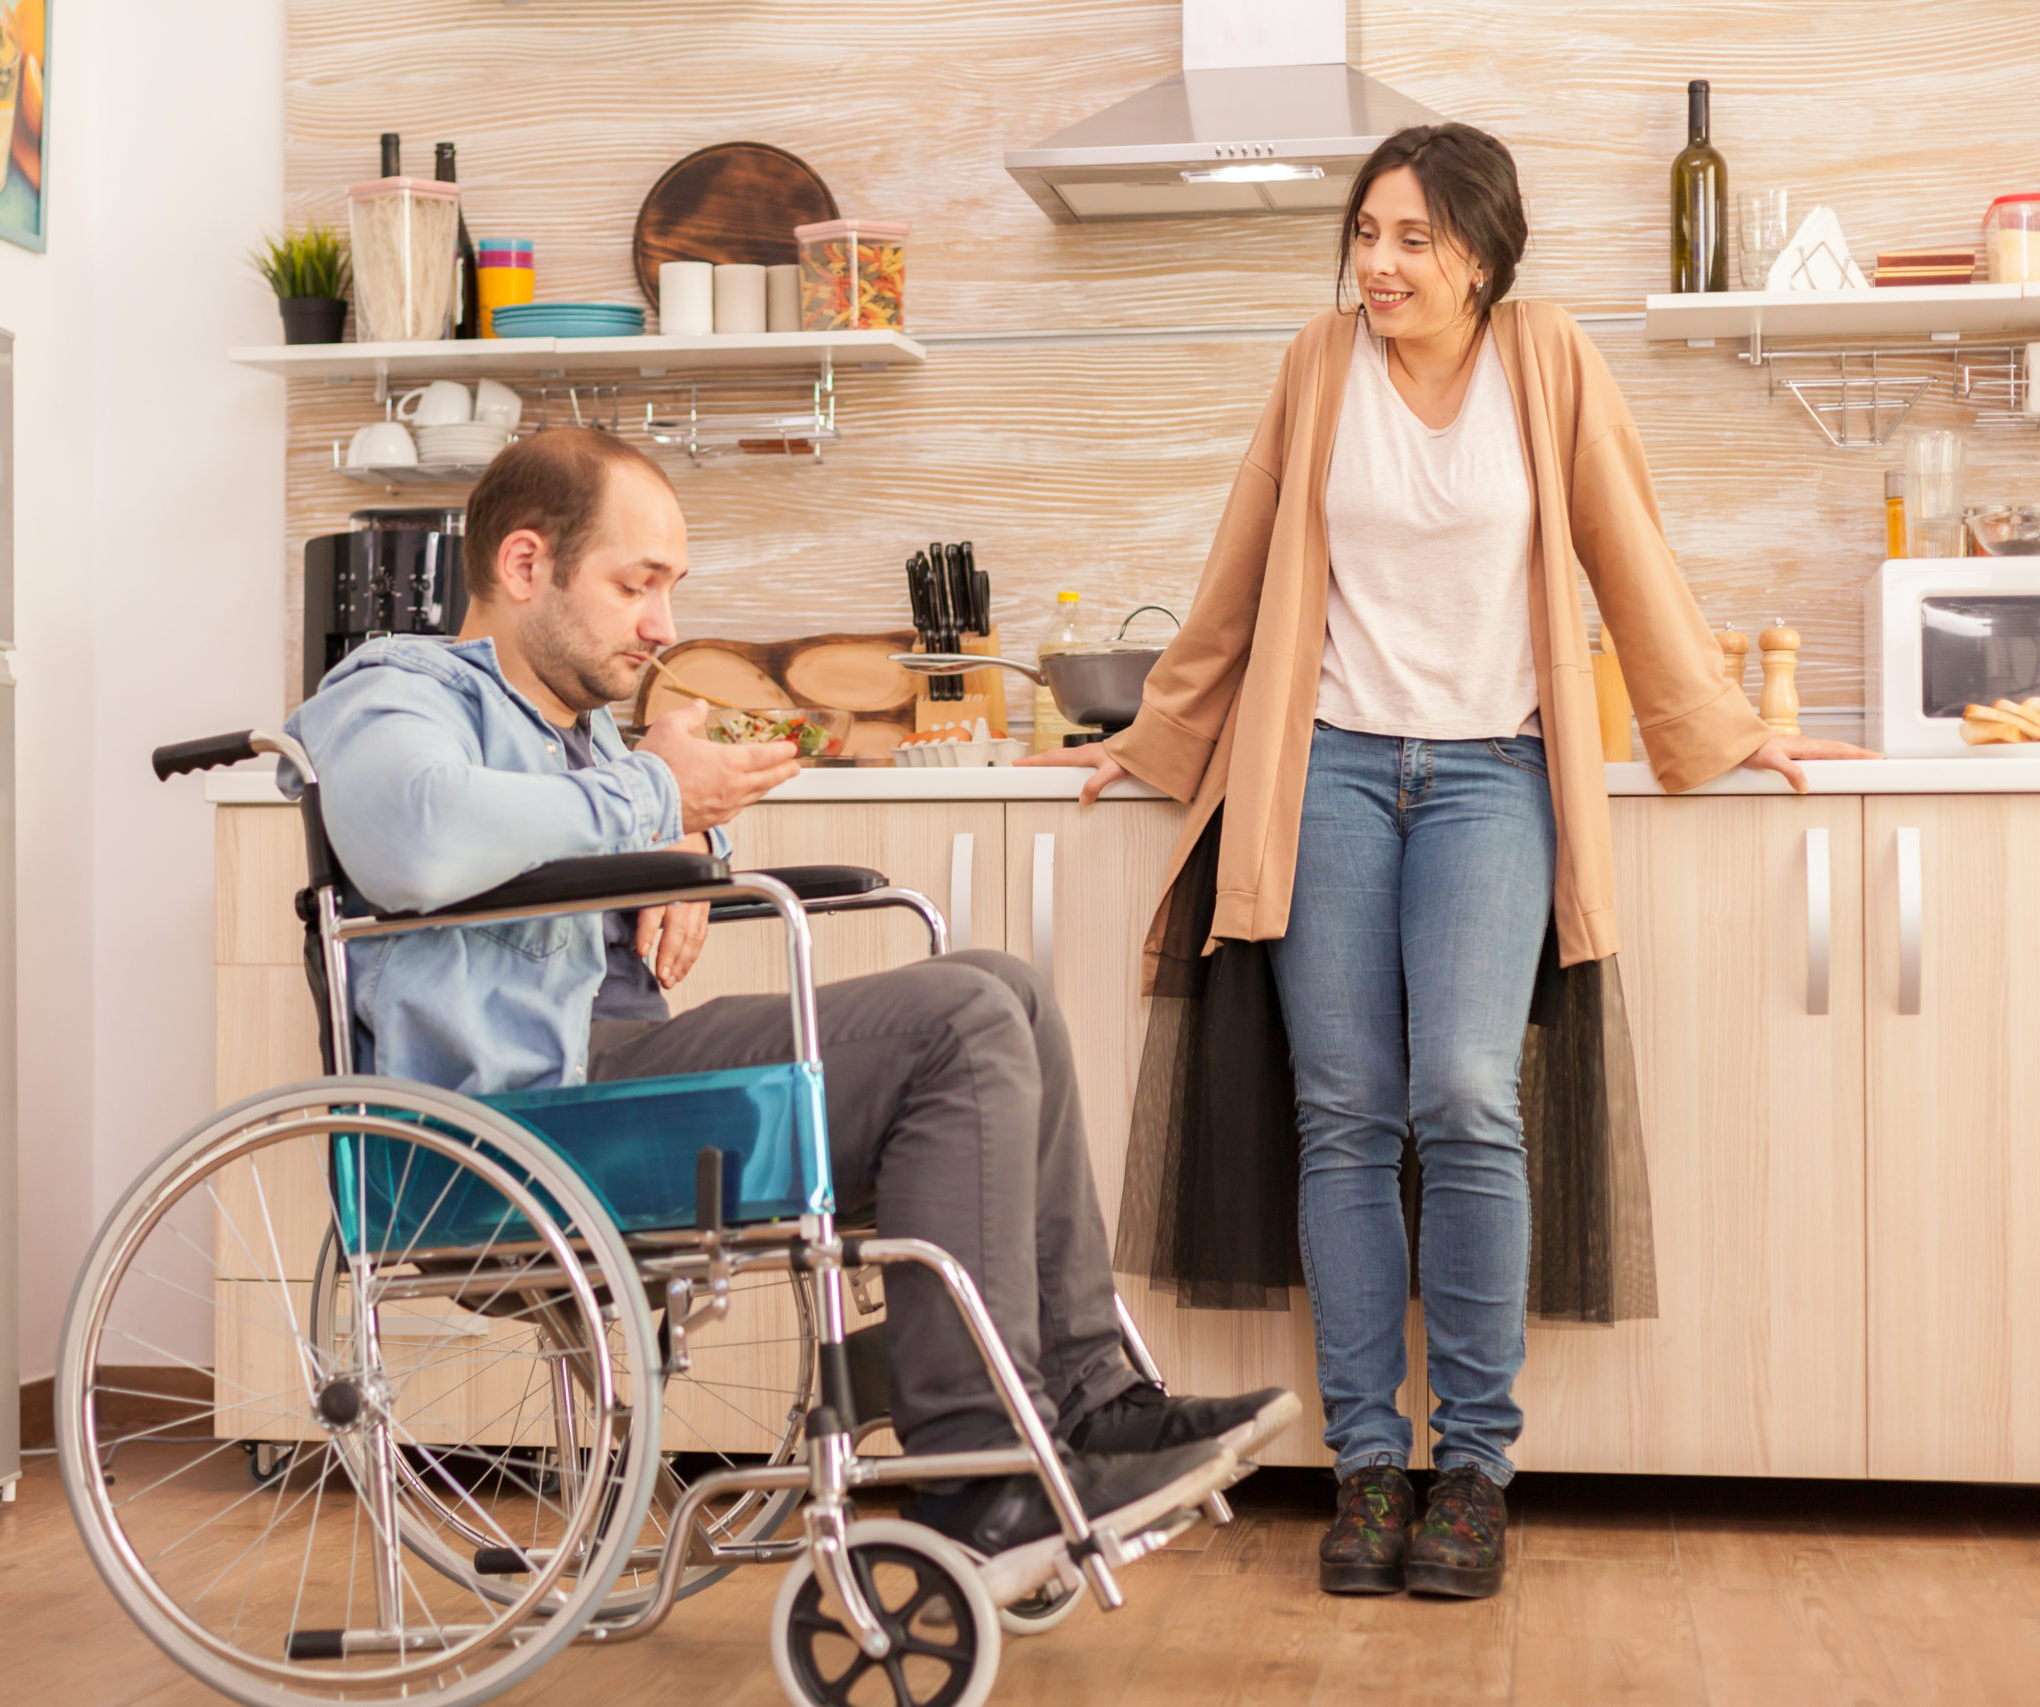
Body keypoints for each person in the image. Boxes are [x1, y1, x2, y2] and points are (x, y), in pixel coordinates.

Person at [1024, 125, 1875, 1599]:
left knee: (1468, 1097)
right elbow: (1235, 573)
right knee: (1344, 1110)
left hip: (1493, 774)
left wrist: (1724, 726)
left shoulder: (1546, 361)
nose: (1381, 262)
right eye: (1366, 234)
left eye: (1414, 238)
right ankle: (1368, 1463)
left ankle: (1473, 1466)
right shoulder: (1316, 366)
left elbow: (1627, 551)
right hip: (1332, 768)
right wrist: (1155, 738)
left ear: (1482, 250)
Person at [285, 426, 1294, 1563]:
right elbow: (412, 842)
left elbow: (598, 824)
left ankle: (1091, 1408)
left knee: (1002, 987)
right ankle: (974, 1467)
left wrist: (672, 846)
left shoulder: (576, 742)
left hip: (608, 1096)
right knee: (958, 1023)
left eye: (668, 586)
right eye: (636, 584)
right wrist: (654, 797)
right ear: (525, 568)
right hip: (515, 1128)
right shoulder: (396, 687)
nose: (664, 625)